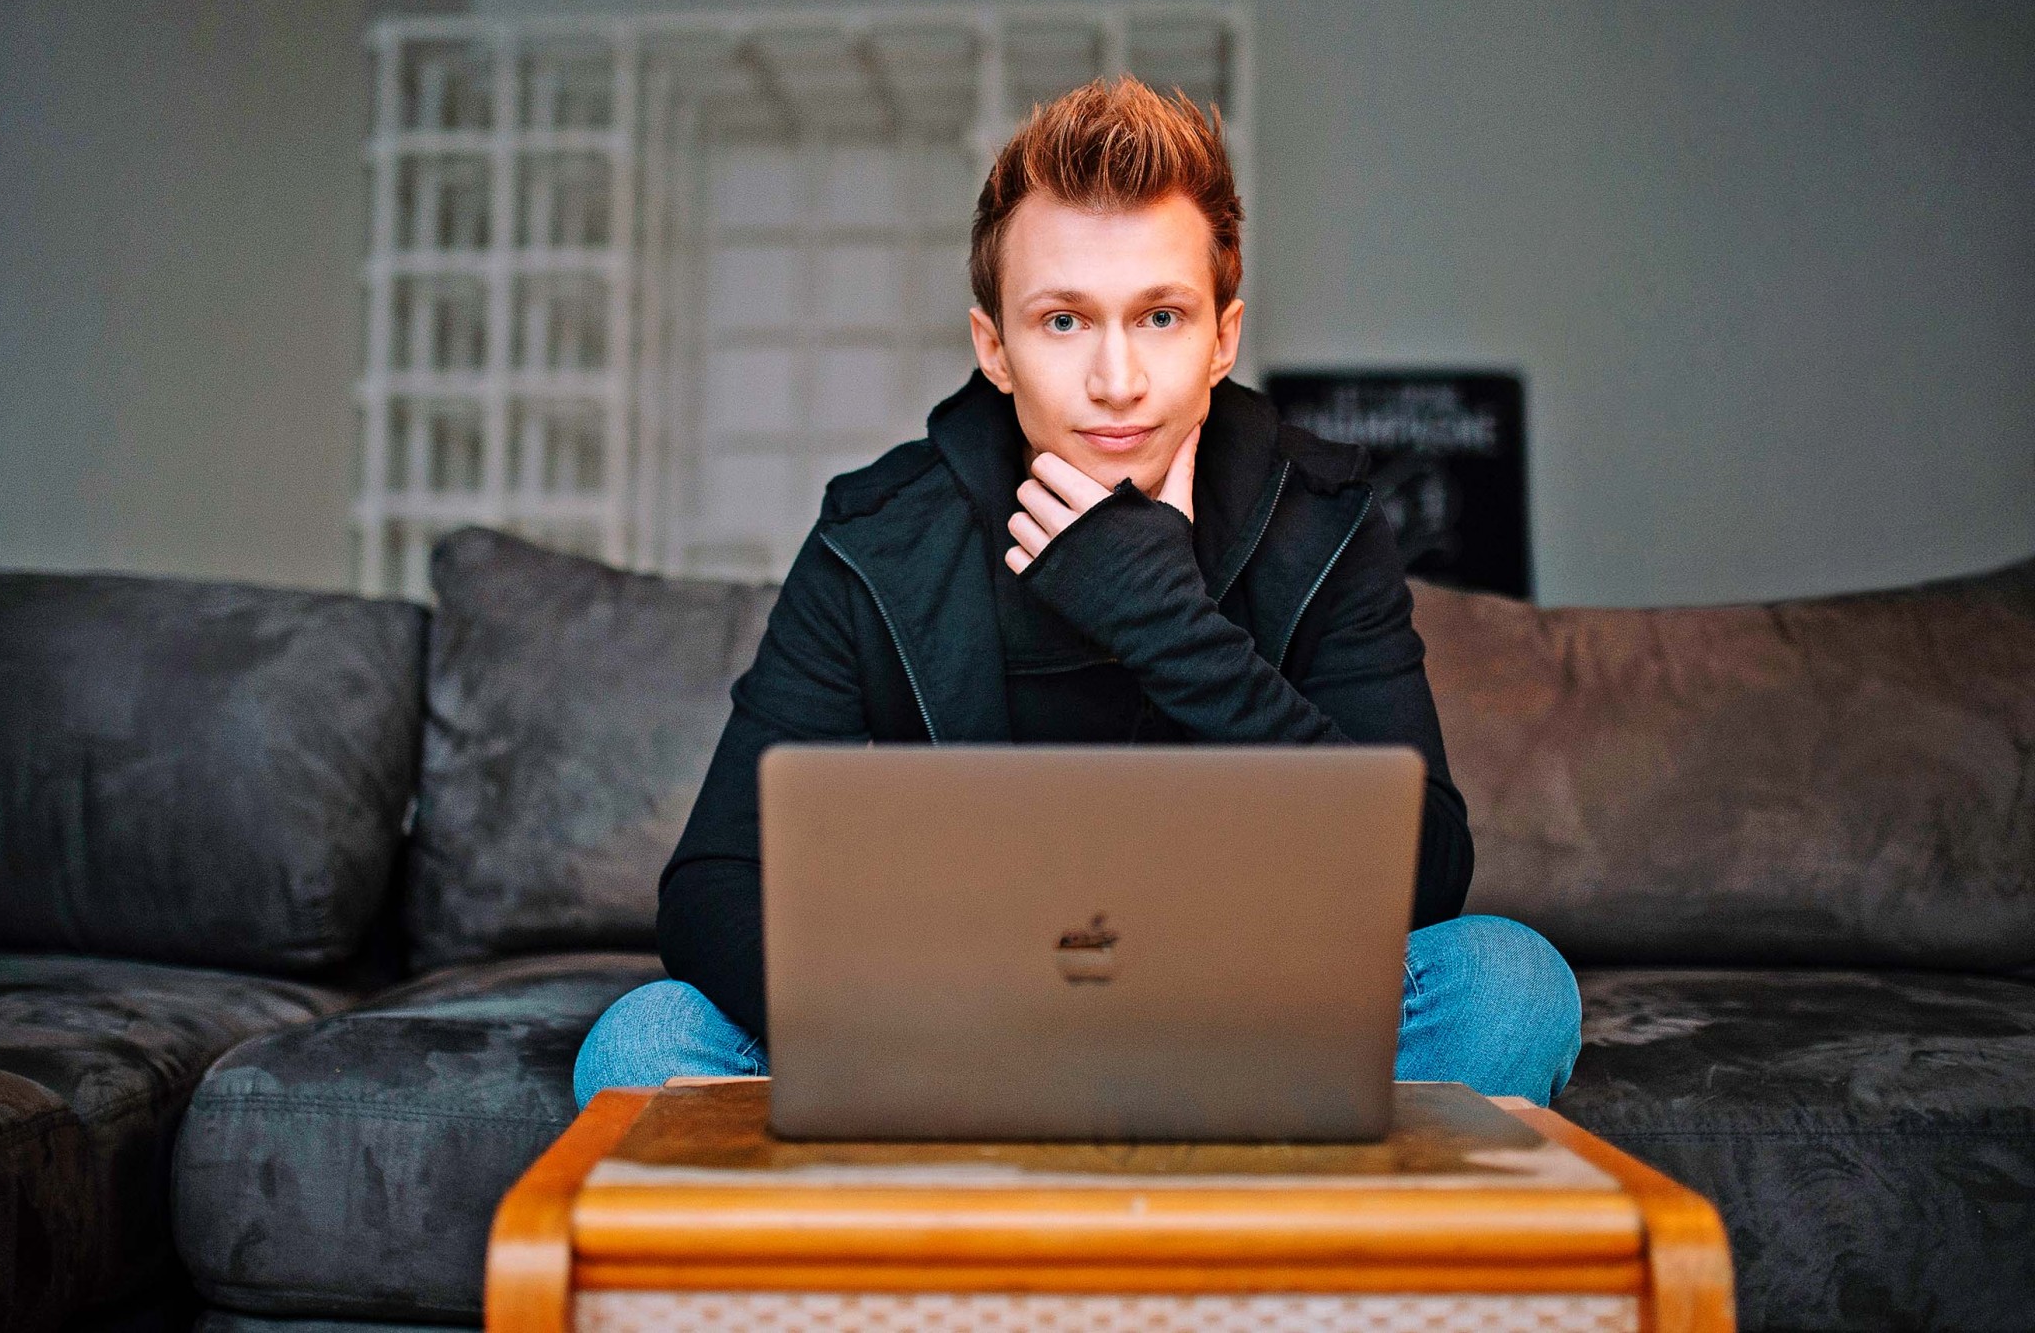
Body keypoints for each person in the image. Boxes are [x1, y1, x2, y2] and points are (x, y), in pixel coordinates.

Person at [574, 77, 1580, 1112]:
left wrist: (1163, 617)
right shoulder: (880, 541)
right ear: (994, 349)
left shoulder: (1319, 523)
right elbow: (711, 882)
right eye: (1062, 320)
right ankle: (1127, 1176)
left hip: (1248, 1017)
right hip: (955, 1031)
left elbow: (1425, 869)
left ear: (1222, 337)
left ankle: (1029, 1184)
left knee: (1509, 986)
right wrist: (933, 1029)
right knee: (643, 1046)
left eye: (1160, 316)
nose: (1116, 379)